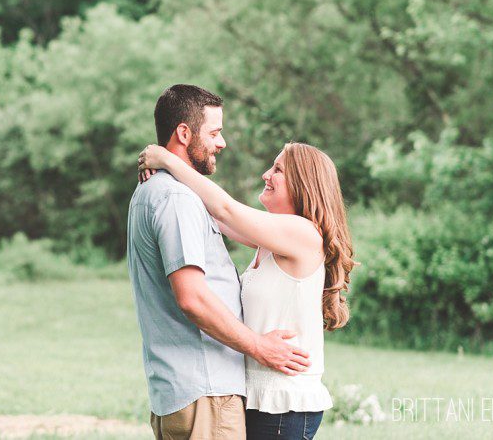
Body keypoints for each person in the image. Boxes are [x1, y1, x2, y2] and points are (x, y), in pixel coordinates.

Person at [138, 138, 356, 440]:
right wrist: (164, 179)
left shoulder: (303, 234)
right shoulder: (270, 240)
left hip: (284, 402)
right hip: (259, 395)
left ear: (303, 184)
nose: (266, 174)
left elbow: (224, 209)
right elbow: (209, 212)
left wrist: (166, 159)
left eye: (278, 170)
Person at [127, 84, 311, 440]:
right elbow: (192, 299)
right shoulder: (176, 199)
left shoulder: (154, 192)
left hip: (184, 389)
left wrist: (165, 160)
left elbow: (227, 215)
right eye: (214, 132)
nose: (222, 142)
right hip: (205, 390)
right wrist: (260, 347)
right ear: (184, 132)